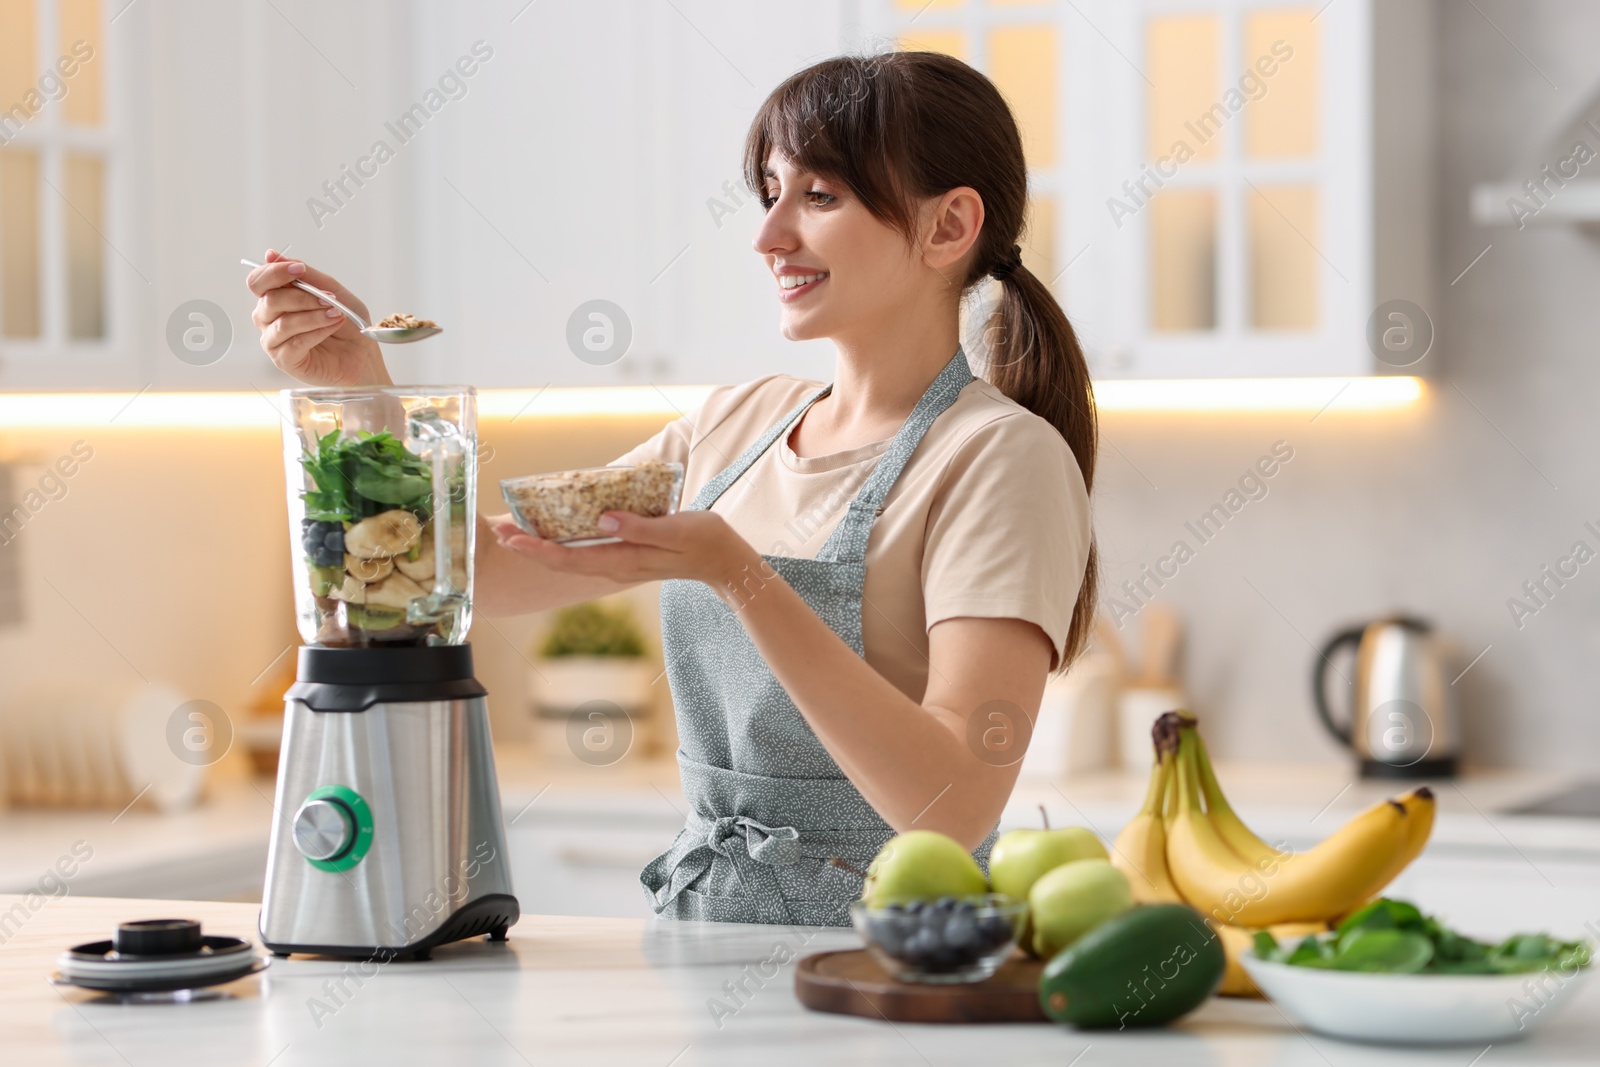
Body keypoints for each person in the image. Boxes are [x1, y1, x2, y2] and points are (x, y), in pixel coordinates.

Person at [246, 51, 1097, 927]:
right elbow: (482, 572)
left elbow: (955, 805)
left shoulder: (999, 458)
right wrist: (359, 390)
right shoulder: (733, 428)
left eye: (820, 196)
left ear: (949, 226)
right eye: (770, 192)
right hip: (703, 937)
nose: (770, 236)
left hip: (893, 959)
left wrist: (738, 572)